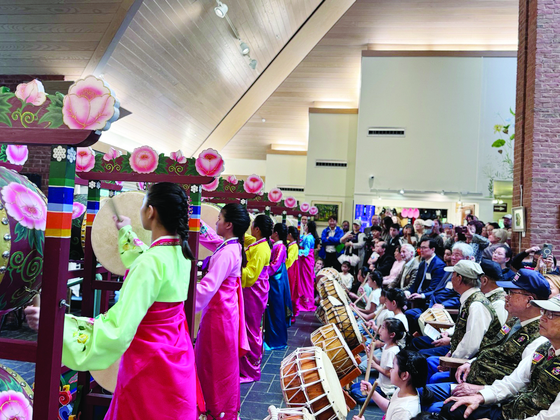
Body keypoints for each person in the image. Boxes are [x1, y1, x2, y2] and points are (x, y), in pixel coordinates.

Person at [56, 183, 198, 418]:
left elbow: (117, 328)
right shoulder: (181, 254)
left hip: (147, 365)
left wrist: (60, 326)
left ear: (151, 211)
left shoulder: (151, 262)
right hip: (175, 355)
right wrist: (126, 231)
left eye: (143, 204)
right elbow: (149, 261)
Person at [424, 269, 550, 412]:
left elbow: (520, 382)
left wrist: (482, 391)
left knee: (430, 403)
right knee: (424, 392)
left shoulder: (539, 338)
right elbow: (492, 348)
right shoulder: (514, 321)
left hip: (487, 394)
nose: (506, 297)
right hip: (472, 378)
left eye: (511, 293)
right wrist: (471, 362)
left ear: (529, 300)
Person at [442, 294, 560, 420]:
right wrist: (481, 396)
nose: (542, 318)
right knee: (451, 408)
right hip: (510, 409)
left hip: (527, 416)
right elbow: (513, 382)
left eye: (551, 315)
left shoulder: (537, 340)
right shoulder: (544, 347)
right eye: (544, 312)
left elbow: (550, 417)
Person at [196, 202, 251, 418]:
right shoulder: (231, 245)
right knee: (217, 366)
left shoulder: (229, 252)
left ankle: (215, 410)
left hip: (220, 318)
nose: (216, 221)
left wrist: (184, 303)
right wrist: (192, 218)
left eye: (219, 218)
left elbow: (209, 285)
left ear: (229, 224)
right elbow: (211, 238)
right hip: (224, 314)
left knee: (214, 368)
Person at [425, 260, 503, 383]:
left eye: (453, 275)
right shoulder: (470, 299)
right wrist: (450, 354)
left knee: (435, 376)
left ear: (459, 279)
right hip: (460, 357)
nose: (451, 279)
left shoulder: (477, 304)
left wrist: (451, 361)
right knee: (429, 362)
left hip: (473, 365)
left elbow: (471, 345)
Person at [240, 214, 273, 383]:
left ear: (257, 229)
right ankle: (247, 368)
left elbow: (251, 275)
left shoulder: (261, 249)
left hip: (254, 292)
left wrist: (234, 266)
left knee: (251, 330)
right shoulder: (259, 243)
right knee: (249, 328)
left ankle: (251, 371)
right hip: (253, 291)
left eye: (252, 225)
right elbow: (246, 239)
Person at [353, 350, 432, 420]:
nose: (390, 370)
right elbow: (390, 407)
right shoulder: (404, 389)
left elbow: (396, 410)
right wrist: (371, 392)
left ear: (404, 375)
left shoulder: (404, 412)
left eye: (393, 367)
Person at [352, 318, 406, 401]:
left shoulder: (393, 352)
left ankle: (386, 399)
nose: (380, 330)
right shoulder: (386, 346)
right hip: (379, 382)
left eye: (383, 328)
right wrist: (371, 355)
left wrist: (375, 366)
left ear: (392, 335)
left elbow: (390, 374)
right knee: (354, 387)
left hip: (385, 389)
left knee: (356, 394)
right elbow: (382, 364)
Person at [264, 223, 293, 350]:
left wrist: (262, 270)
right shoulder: (278, 245)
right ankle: (273, 339)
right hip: (275, 281)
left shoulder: (280, 247)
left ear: (276, 233)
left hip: (276, 283)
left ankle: (277, 341)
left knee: (276, 311)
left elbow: (274, 267)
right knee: (273, 310)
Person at [406, 239, 446, 310]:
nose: (421, 250)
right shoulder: (422, 264)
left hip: (427, 300)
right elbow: (416, 283)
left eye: (424, 248)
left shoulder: (439, 265)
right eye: (420, 247)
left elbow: (434, 287)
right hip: (417, 298)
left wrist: (420, 294)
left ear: (432, 249)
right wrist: (408, 292)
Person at [299, 221, 319, 313]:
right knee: (306, 280)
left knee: (306, 281)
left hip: (306, 261)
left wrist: (297, 252)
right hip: (307, 261)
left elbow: (306, 252)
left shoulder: (309, 238)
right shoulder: (309, 236)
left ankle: (306, 302)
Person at [286, 226, 301, 319]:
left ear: (290, 234)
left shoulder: (294, 246)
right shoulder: (291, 244)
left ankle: (290, 315)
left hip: (291, 270)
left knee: (290, 291)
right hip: (291, 269)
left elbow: (289, 260)